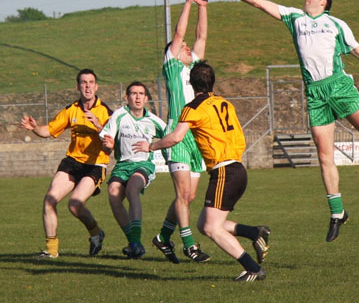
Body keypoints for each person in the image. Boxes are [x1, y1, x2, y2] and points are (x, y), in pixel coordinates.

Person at [207, 0, 359, 242]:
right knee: (324, 155)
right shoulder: (295, 18)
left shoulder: (337, 24)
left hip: (340, 87)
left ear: (323, 2)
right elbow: (257, 2)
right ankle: (337, 213)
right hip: (315, 93)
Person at [134, 61, 270, 281]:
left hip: (225, 171)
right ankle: (255, 233)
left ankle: (253, 268)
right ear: (212, 82)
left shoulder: (192, 107)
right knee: (204, 224)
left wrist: (151, 145)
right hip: (237, 168)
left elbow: (176, 137)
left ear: (190, 83)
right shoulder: (225, 103)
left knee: (211, 228)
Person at [151, 0, 213, 264]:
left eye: (188, 48)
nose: (188, 47)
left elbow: (201, 35)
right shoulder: (172, 65)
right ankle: (189, 245)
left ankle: (163, 237)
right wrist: (188, 3)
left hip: (195, 135)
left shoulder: (193, 68)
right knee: (181, 193)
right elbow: (180, 34)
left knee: (188, 197)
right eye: (183, 47)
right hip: (176, 130)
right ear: (172, 53)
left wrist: (203, 7)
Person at [21, 69, 112, 258]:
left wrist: (98, 125)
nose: (87, 86)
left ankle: (96, 233)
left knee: (74, 205)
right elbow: (49, 130)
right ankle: (52, 250)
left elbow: (112, 144)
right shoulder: (72, 110)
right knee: (49, 200)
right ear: (78, 86)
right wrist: (35, 128)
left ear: (96, 86)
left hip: (95, 165)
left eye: (91, 82)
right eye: (83, 82)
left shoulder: (105, 112)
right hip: (72, 162)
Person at [99, 81, 166, 259]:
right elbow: (107, 139)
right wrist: (109, 144)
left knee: (132, 188)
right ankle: (134, 243)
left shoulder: (154, 121)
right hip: (122, 165)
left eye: (141, 94)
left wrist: (151, 146)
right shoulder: (119, 115)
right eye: (133, 94)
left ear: (145, 98)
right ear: (127, 97)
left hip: (143, 165)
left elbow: (171, 138)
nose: (137, 97)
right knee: (113, 194)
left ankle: (135, 241)